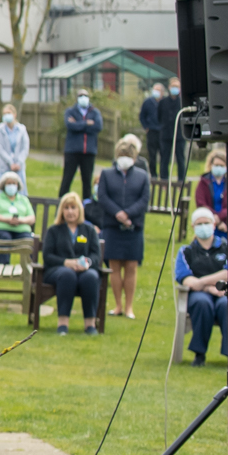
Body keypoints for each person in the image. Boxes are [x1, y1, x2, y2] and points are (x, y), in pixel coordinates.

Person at [96, 136, 149, 319]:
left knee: (131, 266)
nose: (125, 157)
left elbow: (144, 200)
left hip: (133, 228)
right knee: (115, 266)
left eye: (128, 155)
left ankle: (129, 307)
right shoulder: (107, 174)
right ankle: (118, 305)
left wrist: (128, 215)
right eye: (122, 154)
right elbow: (102, 197)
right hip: (112, 227)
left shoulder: (142, 177)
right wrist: (118, 214)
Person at [176, 208, 228, 364]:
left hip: (225, 293)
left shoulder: (227, 247)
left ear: (214, 224)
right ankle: (199, 354)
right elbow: (185, 279)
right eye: (199, 223)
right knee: (202, 303)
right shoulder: (186, 251)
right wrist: (210, 288)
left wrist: (201, 281)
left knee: (227, 305)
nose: (203, 226)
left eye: (206, 223)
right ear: (193, 226)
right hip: (201, 294)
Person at [44, 193, 105, 337]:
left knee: (91, 277)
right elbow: (47, 255)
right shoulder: (54, 230)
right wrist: (66, 262)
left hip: (84, 270)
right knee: (67, 275)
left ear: (79, 210)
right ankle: (63, 323)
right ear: (62, 211)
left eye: (73, 207)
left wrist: (86, 263)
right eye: (66, 208)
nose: (70, 211)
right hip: (58, 270)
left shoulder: (89, 230)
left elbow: (96, 255)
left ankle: (90, 324)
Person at [194, 144, 228, 251]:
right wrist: (215, 220)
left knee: (227, 251)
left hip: (227, 223)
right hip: (209, 223)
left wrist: (221, 218)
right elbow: (201, 203)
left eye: (222, 165)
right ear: (211, 165)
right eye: (216, 165)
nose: (218, 168)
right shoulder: (204, 182)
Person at [0, 168, 35, 260]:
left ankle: (28, 269)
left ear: (18, 185)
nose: (11, 186)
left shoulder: (23, 199)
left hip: (21, 229)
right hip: (0, 229)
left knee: (29, 240)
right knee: (5, 238)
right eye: (9, 183)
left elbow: (32, 218)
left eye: (13, 183)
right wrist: (7, 220)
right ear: (3, 185)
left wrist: (20, 220)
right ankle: (4, 267)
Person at [61, 91, 102, 199]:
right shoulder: (70, 111)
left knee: (87, 181)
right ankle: (61, 202)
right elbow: (70, 125)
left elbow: (98, 126)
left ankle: (87, 206)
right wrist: (86, 123)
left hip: (89, 151)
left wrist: (77, 123)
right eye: (80, 96)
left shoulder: (95, 112)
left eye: (85, 95)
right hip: (72, 151)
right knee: (67, 179)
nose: (83, 98)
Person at [0, 102, 31, 181]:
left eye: (8, 113)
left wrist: (19, 162)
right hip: (4, 166)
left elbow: (25, 147)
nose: (6, 115)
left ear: (14, 114)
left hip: (18, 166)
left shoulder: (21, 129)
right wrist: (10, 162)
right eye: (4, 114)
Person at [139, 83, 169, 182]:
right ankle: (153, 175)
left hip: (163, 132)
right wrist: (146, 126)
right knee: (152, 154)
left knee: (164, 154)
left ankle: (164, 176)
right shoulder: (147, 102)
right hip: (151, 131)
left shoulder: (165, 102)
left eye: (158, 90)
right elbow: (142, 115)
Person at [165, 77, 189, 182]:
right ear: (169, 87)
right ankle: (164, 179)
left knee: (180, 158)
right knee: (165, 158)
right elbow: (159, 116)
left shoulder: (183, 101)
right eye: (173, 86)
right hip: (166, 134)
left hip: (180, 135)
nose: (175, 89)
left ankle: (181, 179)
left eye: (177, 87)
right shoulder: (163, 102)